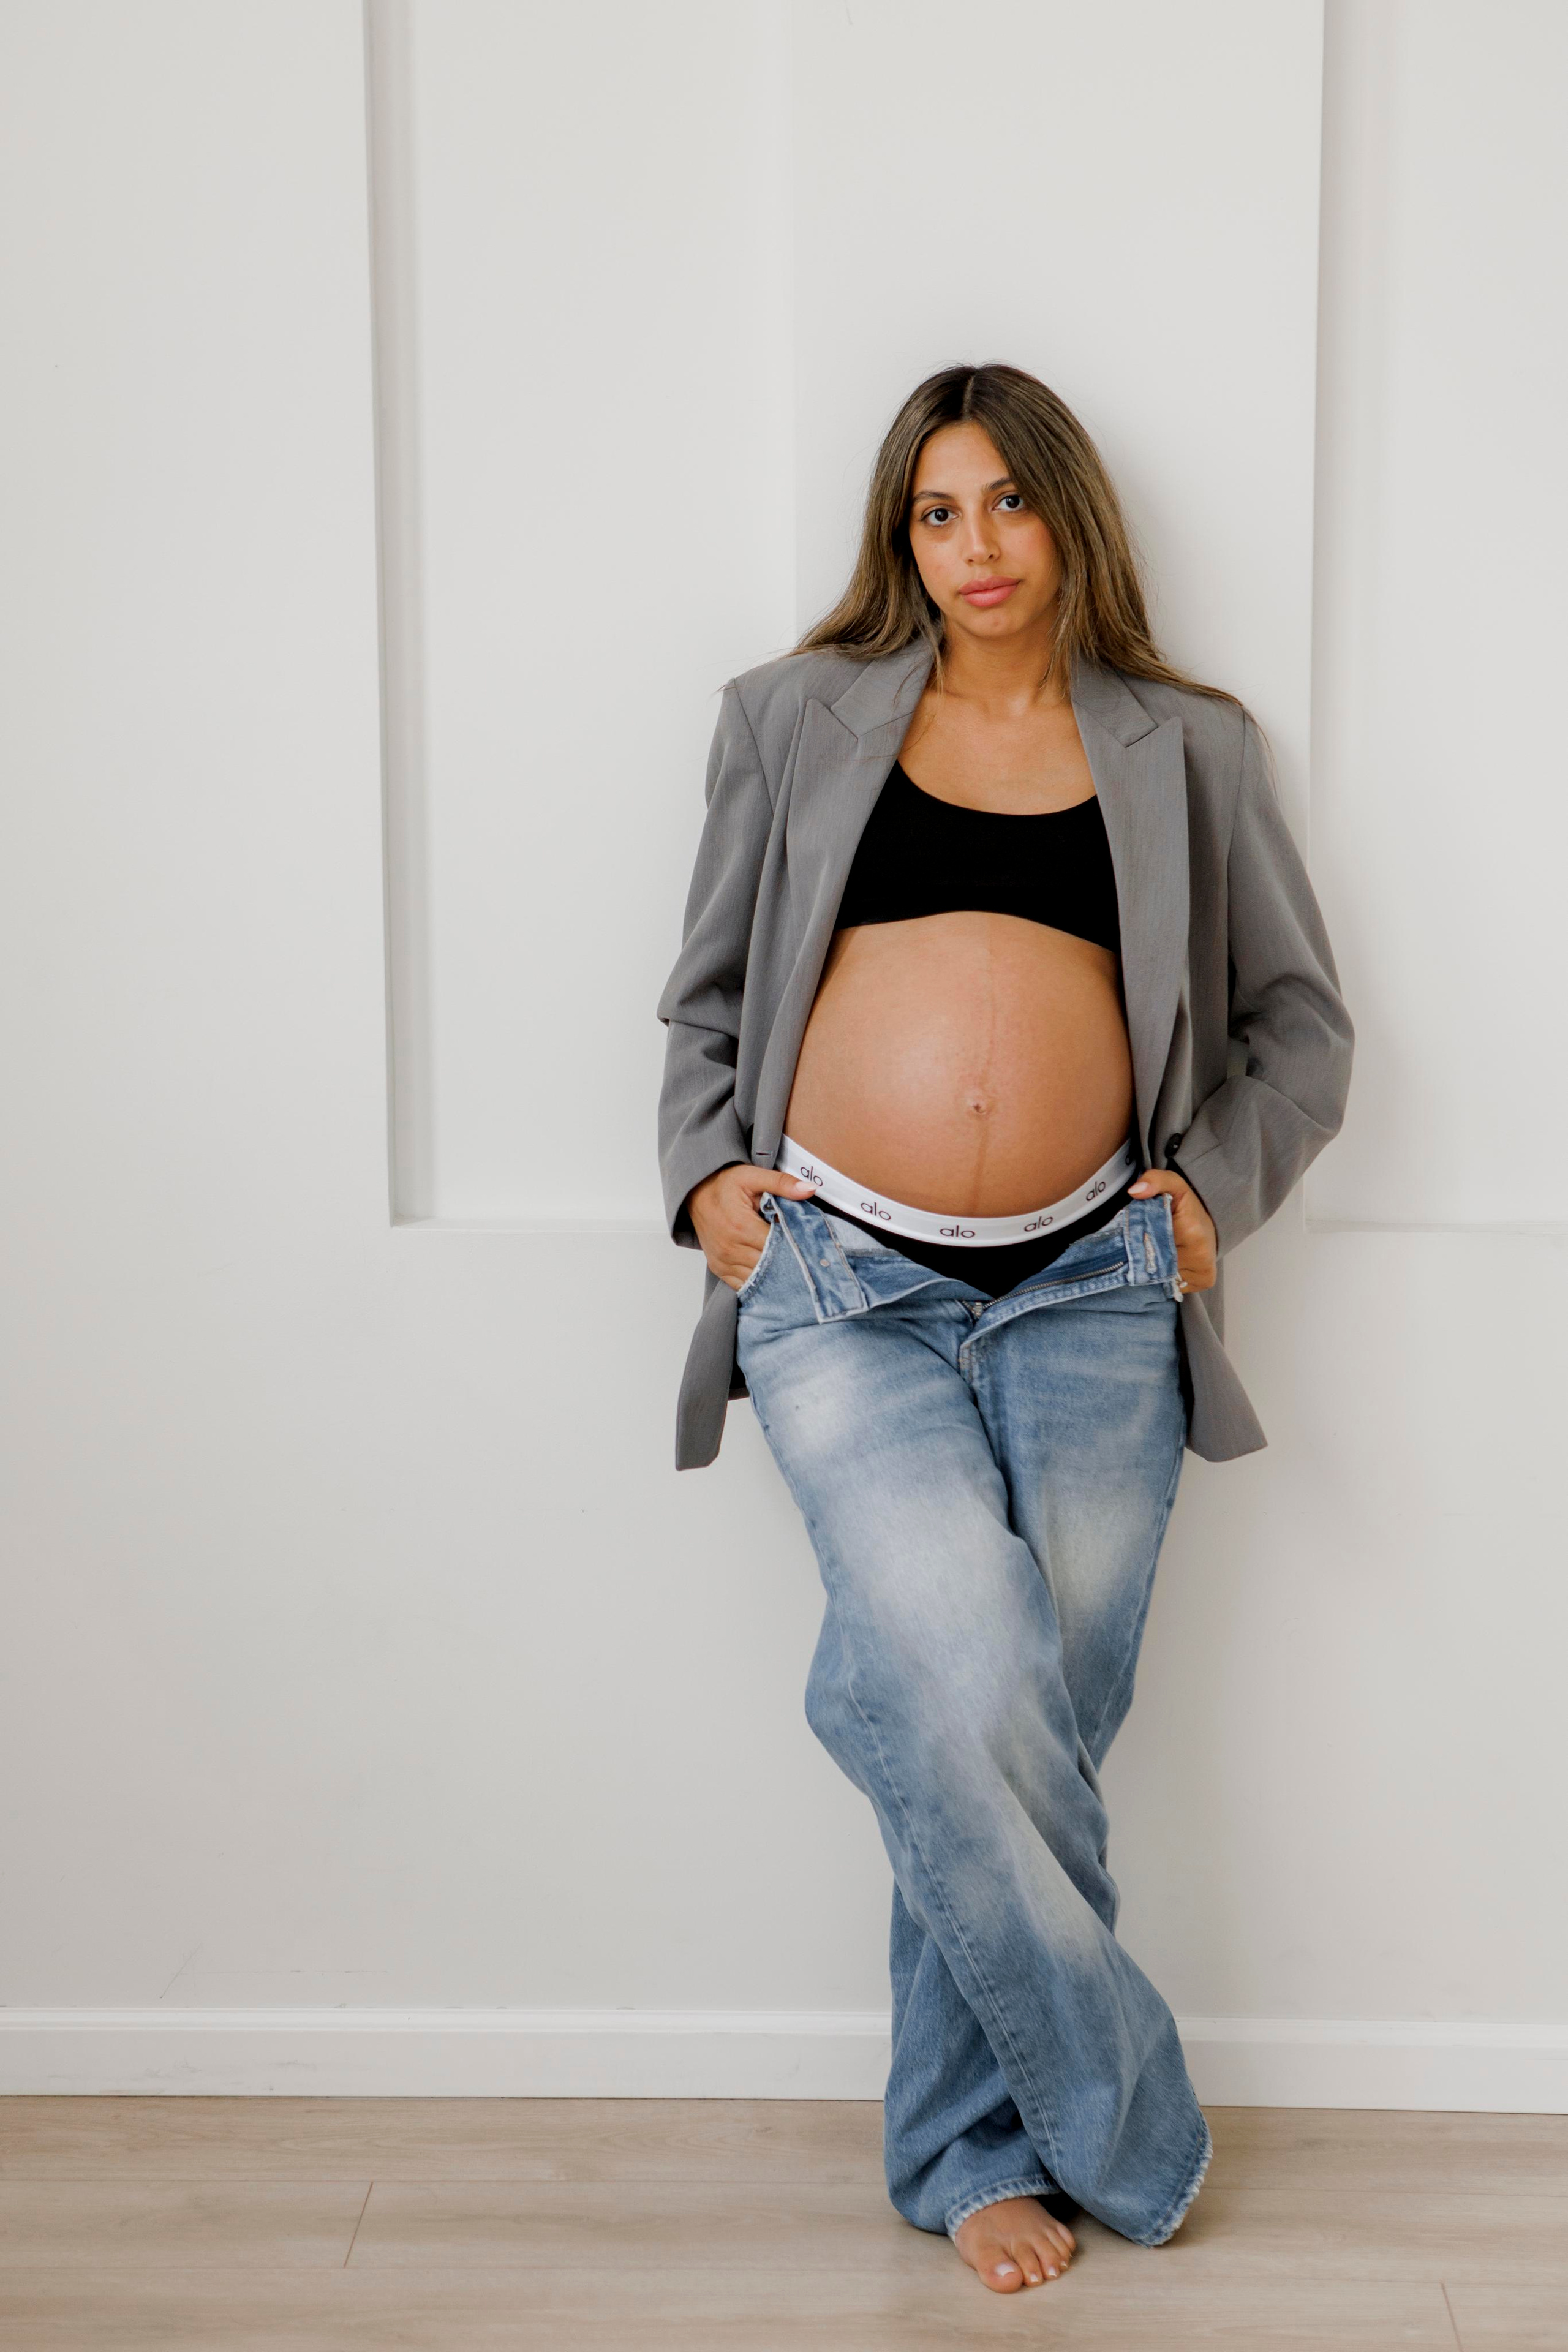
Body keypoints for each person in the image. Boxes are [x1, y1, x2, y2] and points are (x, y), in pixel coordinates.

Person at [655, 361, 1353, 2294]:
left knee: (1020, 1731)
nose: (977, 548)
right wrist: (704, 1172)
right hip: (835, 1281)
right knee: (971, 1696)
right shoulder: (790, 724)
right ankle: (1125, 2132)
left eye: (1011, 505)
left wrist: (1212, 1189)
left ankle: (961, 2146)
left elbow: (1304, 1024)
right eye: (938, 512)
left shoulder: (1187, 749)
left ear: (1072, 516)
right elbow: (705, 998)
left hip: (1097, 1289)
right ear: (902, 533)